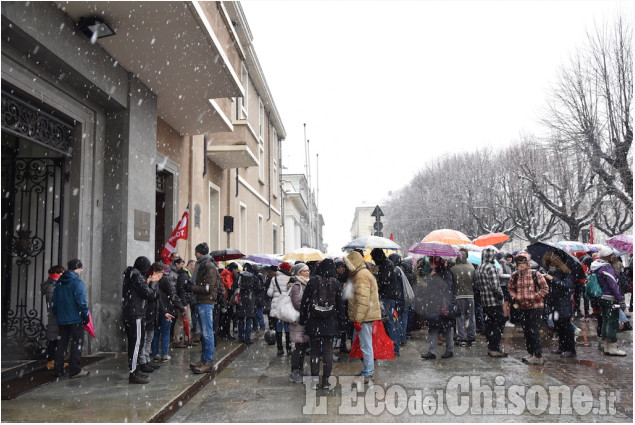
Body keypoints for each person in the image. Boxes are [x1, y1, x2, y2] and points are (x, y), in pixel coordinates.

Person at [300, 259, 343, 390]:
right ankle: (326, 381)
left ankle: (314, 381)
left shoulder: (312, 281)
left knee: (314, 351)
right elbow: (341, 306)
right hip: (330, 322)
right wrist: (341, 324)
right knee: (328, 352)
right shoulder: (336, 283)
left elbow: (304, 302)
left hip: (314, 321)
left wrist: (303, 319)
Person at [123, 259, 163, 383]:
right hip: (136, 314)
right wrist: (152, 283)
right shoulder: (137, 277)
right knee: (136, 344)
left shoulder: (131, 275)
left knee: (135, 343)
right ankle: (133, 372)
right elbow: (150, 294)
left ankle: (136, 370)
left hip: (132, 313)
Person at [344, 251, 381, 383]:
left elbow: (363, 300)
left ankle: (368, 371)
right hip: (366, 315)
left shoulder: (361, 276)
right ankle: (367, 368)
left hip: (364, 317)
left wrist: (358, 319)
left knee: (365, 345)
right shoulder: (363, 273)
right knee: (364, 344)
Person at [508, 251, 549, 365]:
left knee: (533, 331)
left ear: (527, 263)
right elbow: (510, 288)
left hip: (535, 307)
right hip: (522, 307)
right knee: (526, 332)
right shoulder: (515, 275)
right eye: (518, 262)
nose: (521, 265)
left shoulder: (536, 274)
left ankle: (538, 355)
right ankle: (531, 352)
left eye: (523, 262)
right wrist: (515, 296)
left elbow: (545, 289)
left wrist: (535, 297)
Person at [51, 259, 90, 379]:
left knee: (62, 344)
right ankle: (74, 370)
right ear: (77, 268)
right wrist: (85, 315)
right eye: (81, 268)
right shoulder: (77, 282)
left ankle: (58, 370)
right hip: (75, 318)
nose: (82, 270)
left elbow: (54, 302)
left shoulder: (59, 283)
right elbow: (82, 302)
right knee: (76, 343)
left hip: (62, 319)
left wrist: (58, 314)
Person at [189, 242, 221, 373]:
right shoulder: (202, 264)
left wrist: (191, 287)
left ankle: (208, 360)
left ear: (200, 252)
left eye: (196, 252)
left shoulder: (208, 266)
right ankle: (204, 359)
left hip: (206, 302)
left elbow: (208, 287)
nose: (195, 254)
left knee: (207, 333)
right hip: (201, 301)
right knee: (204, 332)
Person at [591, 246, 627, 356]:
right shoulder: (607, 267)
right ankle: (612, 347)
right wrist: (620, 299)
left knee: (606, 320)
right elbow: (613, 285)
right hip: (610, 298)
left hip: (602, 297)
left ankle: (607, 346)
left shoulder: (597, 266)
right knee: (612, 321)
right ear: (609, 257)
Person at [474, 247, 508, 357]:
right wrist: (501, 296)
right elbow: (495, 286)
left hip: (485, 300)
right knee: (498, 324)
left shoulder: (479, 268)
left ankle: (490, 346)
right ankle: (495, 347)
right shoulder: (491, 268)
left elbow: (477, 285)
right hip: (494, 301)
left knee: (489, 324)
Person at [420, 257, 455, 360]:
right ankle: (433, 351)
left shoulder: (445, 274)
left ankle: (449, 350)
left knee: (446, 329)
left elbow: (446, 288)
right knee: (434, 328)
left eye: (432, 263)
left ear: (436, 264)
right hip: (436, 305)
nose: (430, 265)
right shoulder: (439, 273)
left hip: (442, 305)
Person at [543, 253, 576, 357]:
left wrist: (553, 279)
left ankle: (570, 349)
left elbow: (567, 285)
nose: (549, 264)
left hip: (563, 303)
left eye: (551, 262)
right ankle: (562, 347)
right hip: (553, 302)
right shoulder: (550, 271)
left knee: (566, 326)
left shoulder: (565, 272)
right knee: (558, 326)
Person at [371, 248, 402, 356]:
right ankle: (393, 346)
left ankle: (395, 348)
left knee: (389, 322)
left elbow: (384, 281)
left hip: (387, 297)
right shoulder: (386, 264)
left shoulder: (386, 265)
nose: (373, 260)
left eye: (373, 258)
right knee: (390, 322)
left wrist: (375, 276)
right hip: (389, 296)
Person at [40, 265, 67, 371]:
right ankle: (52, 361)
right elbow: (54, 304)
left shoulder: (54, 285)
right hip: (55, 317)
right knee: (54, 340)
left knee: (55, 339)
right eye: (62, 273)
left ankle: (55, 360)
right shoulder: (53, 287)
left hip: (55, 316)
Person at [288, 263, 311, 384]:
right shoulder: (297, 285)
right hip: (298, 320)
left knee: (303, 346)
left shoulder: (306, 283)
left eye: (308, 270)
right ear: (298, 273)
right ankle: (294, 371)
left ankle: (300, 369)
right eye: (304, 271)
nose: (307, 273)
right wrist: (309, 306)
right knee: (298, 347)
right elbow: (297, 303)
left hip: (305, 319)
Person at [152, 264, 180, 362]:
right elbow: (172, 294)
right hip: (165, 308)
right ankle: (164, 354)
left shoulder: (151, 279)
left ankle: (155, 353)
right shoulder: (165, 279)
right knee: (165, 332)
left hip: (155, 309)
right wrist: (180, 306)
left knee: (156, 332)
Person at [450, 251, 476, 347]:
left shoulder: (453, 269)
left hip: (459, 296)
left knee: (459, 318)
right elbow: (475, 283)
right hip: (470, 296)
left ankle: (461, 338)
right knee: (471, 317)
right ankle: (471, 337)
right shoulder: (472, 269)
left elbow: (451, 284)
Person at [268, 262, 293, 356]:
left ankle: (279, 349)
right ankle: (289, 348)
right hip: (286, 306)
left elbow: (269, 293)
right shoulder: (291, 279)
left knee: (278, 328)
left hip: (277, 307)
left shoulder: (274, 279)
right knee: (287, 328)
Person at [234, 263, 258, 344]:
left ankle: (241, 337)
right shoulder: (254, 277)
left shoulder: (239, 276)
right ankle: (247, 338)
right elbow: (258, 287)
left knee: (241, 319)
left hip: (241, 299)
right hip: (250, 300)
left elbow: (235, 286)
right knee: (249, 319)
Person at [174, 258, 194, 347]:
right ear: (190, 265)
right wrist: (184, 303)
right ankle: (177, 340)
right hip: (184, 302)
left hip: (185, 301)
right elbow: (181, 290)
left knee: (186, 321)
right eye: (194, 266)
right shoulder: (184, 275)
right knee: (182, 321)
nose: (195, 268)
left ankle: (187, 339)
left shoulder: (187, 274)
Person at [334, 258, 352, 353]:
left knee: (345, 325)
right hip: (338, 305)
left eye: (342, 267)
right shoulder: (334, 278)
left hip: (346, 304)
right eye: (338, 267)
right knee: (339, 325)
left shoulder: (347, 277)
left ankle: (343, 344)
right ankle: (339, 343)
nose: (341, 269)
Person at [219, 262, 239, 339]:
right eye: (235, 269)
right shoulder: (228, 275)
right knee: (227, 317)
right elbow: (229, 287)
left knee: (224, 317)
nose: (236, 271)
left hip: (225, 299)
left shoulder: (225, 274)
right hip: (227, 300)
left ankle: (223, 333)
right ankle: (226, 333)